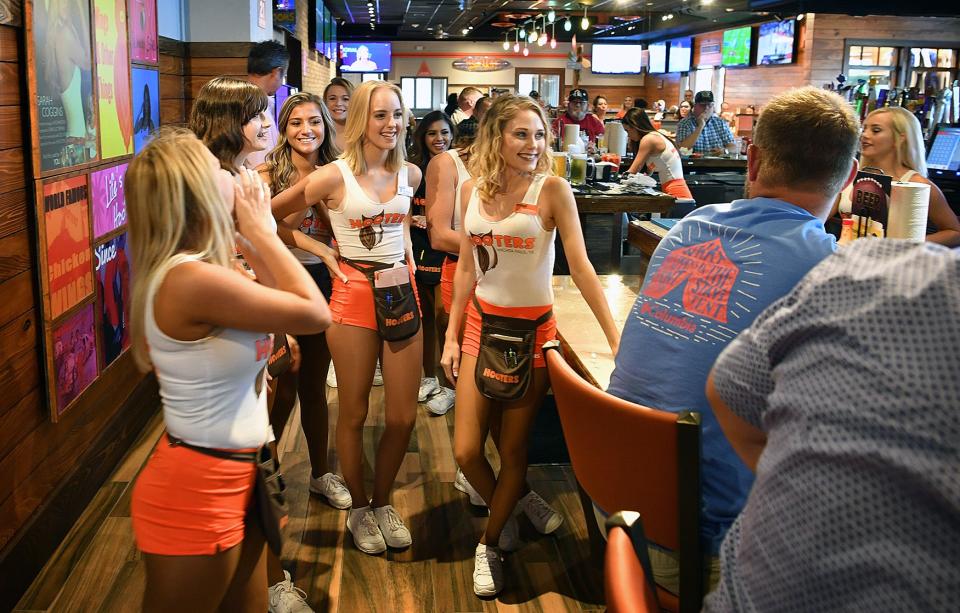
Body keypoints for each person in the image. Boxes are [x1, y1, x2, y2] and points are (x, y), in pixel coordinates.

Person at [606, 86, 860, 597]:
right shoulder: (831, 271)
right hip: (702, 543)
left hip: (612, 491)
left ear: (753, 158)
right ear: (851, 175)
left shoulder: (688, 227)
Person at [128, 128, 330, 613]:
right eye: (214, 167)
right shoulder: (189, 279)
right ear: (197, 194)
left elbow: (279, 299)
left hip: (246, 468)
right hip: (198, 484)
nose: (233, 172)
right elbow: (313, 313)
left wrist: (247, 233)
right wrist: (260, 228)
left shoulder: (205, 267)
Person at [704, 238, 960, 611]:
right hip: (695, 538)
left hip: (639, 521)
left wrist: (798, 484)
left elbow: (723, 386)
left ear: (754, 174)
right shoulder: (819, 251)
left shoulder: (852, 267)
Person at [442, 95, 620, 597]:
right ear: (496, 136)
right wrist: (452, 335)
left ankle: (491, 541)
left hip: (532, 334)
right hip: (481, 325)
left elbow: (581, 267)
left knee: (515, 447)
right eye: (521, 134)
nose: (533, 144)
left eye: (539, 135)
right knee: (465, 451)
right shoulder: (470, 189)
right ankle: (515, 498)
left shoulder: (553, 190)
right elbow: (467, 269)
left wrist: (614, 337)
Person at [273, 81, 423, 556]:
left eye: (397, 114)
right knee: (354, 412)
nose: (391, 124)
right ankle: (360, 506)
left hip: (401, 292)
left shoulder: (412, 174)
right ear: (361, 119)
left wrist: (409, 254)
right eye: (380, 115)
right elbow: (269, 217)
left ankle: (382, 502)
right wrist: (322, 249)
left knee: (402, 416)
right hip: (354, 294)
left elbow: (398, 220)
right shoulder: (333, 176)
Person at [256, 92, 350, 612]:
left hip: (328, 287)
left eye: (315, 121)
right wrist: (320, 248)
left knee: (315, 385)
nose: (306, 129)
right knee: (280, 388)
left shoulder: (336, 171)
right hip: (282, 285)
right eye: (297, 121)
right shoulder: (270, 172)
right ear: (284, 126)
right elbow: (271, 228)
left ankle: (319, 473)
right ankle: (268, 476)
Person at [838, 107, 960, 247]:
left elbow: (954, 232)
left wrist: (905, 246)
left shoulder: (917, 184)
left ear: (900, 138)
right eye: (864, 129)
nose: (864, 135)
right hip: (846, 257)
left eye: (876, 130)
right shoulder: (851, 174)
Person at [409, 110, 457, 416]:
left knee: (444, 317)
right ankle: (428, 377)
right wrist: (412, 219)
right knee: (424, 318)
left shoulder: (459, 169)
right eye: (432, 133)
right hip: (418, 248)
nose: (439, 139)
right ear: (422, 138)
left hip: (449, 252)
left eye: (444, 132)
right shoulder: (414, 170)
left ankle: (450, 385)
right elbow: (399, 206)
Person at [189, 76, 270, 173]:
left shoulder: (240, 173)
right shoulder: (209, 177)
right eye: (256, 115)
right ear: (225, 121)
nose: (267, 123)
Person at [622, 108, 693, 199]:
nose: (628, 135)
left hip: (676, 193)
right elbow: (645, 173)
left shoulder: (649, 139)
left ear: (635, 126)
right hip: (678, 190)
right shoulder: (656, 135)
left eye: (627, 130)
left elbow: (633, 172)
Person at [245, 40, 290, 168]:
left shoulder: (243, 99)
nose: (282, 82)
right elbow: (260, 163)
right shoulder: (257, 107)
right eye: (284, 76)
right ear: (276, 73)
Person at [677, 91, 736, 155]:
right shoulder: (685, 123)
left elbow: (733, 147)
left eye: (710, 105)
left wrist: (725, 151)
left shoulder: (720, 123)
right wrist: (700, 126)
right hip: (693, 164)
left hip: (718, 163)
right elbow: (682, 149)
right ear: (695, 106)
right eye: (702, 105)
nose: (706, 108)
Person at [324, 77, 353, 152]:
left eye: (345, 99)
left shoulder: (363, 134)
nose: (338, 103)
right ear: (325, 102)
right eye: (332, 98)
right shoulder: (319, 134)